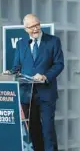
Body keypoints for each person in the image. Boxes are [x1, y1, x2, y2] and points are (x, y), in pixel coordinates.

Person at [6, 14, 64, 151]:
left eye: (37, 25)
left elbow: (59, 64)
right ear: (26, 29)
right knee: (33, 130)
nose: (35, 29)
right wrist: (10, 73)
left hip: (46, 93)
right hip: (27, 94)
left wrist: (45, 76)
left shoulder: (53, 41)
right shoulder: (21, 44)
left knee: (48, 129)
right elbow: (17, 67)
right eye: (31, 27)